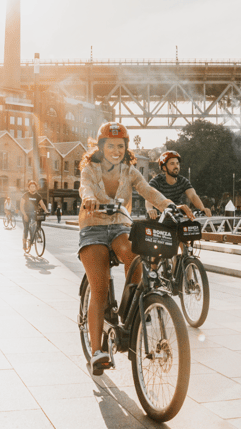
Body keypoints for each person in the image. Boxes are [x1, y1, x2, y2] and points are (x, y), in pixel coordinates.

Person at [79, 121, 193, 375]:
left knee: (136, 256)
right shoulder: (90, 168)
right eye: (111, 145)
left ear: (126, 147)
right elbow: (85, 187)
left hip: (120, 226)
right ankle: (97, 351)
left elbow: (147, 190)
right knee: (98, 285)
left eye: (121, 146)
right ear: (101, 146)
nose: (116, 150)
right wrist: (88, 199)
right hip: (93, 227)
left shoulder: (129, 170)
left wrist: (169, 205)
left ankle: (131, 311)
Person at [146, 150, 212, 219]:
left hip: (176, 216)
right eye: (172, 164)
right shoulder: (156, 181)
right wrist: (150, 209)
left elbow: (192, 195)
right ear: (164, 167)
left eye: (177, 163)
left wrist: (202, 208)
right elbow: (149, 196)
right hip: (158, 218)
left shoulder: (183, 181)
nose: (176, 166)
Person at [20, 180, 48, 251]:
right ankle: (24, 243)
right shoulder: (25, 195)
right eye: (31, 186)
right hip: (26, 213)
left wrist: (46, 210)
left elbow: (42, 204)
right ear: (29, 187)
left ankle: (32, 239)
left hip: (34, 213)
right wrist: (24, 214)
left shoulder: (38, 196)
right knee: (26, 228)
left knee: (35, 226)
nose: (32, 188)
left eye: (34, 186)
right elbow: (21, 206)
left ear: (36, 188)